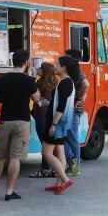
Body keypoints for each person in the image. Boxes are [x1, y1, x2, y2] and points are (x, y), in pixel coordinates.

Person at [0, 50, 40, 201]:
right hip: (22, 122)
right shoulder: (29, 80)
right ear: (26, 63)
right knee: (15, 158)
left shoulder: (1, 79)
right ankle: (9, 191)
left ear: (12, 62)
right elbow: (37, 98)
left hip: (5, 121)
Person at [41, 56, 76, 195]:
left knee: (46, 153)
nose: (54, 67)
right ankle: (59, 183)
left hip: (57, 123)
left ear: (64, 67)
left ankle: (65, 180)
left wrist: (53, 124)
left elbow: (61, 106)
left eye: (57, 65)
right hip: (61, 123)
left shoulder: (64, 84)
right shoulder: (67, 83)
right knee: (59, 151)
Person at [29, 62, 57, 178]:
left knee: (45, 144)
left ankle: (45, 169)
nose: (38, 69)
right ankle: (55, 169)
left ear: (44, 71)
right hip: (51, 115)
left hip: (41, 115)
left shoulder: (39, 83)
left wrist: (32, 77)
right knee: (50, 143)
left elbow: (34, 98)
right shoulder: (55, 83)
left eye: (40, 68)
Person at [64, 49, 90, 176]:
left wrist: (79, 100)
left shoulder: (77, 71)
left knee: (72, 139)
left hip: (74, 110)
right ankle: (72, 164)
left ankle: (75, 167)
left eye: (67, 57)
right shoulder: (71, 71)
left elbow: (86, 84)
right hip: (71, 109)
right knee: (64, 138)